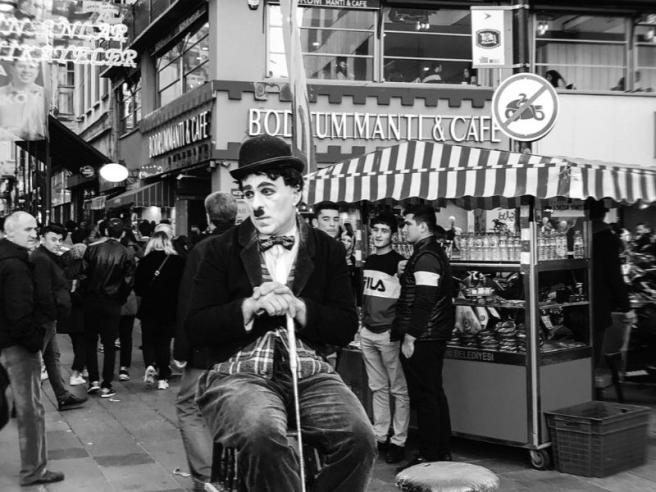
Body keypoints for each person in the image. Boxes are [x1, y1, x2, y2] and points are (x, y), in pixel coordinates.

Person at [186, 134, 376, 491]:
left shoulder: (328, 250)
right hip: (237, 375)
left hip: (310, 374)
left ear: (296, 193)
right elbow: (195, 327)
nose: (256, 205)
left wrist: (300, 307)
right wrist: (249, 305)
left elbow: (345, 326)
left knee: (360, 437)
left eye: (268, 191)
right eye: (248, 193)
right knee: (262, 433)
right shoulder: (218, 250)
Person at [174, 191, 238, 492]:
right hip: (240, 342)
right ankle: (229, 471)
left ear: (209, 216)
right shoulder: (247, 244)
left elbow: (189, 299)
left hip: (207, 344)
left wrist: (182, 347)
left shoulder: (203, 249)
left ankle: (207, 476)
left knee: (190, 406)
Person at [0, 211, 65, 486]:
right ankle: (33, 470)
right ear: (10, 231)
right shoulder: (15, 265)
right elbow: (19, 312)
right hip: (18, 345)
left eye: (34, 229)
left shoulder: (8, 258)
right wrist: (35, 340)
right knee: (31, 410)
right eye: (27, 229)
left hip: (7, 341)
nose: (33, 234)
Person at [393, 205, 455, 470]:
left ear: (422, 226)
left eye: (407, 223)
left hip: (425, 336)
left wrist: (411, 337)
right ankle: (439, 450)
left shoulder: (427, 256)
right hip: (431, 334)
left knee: (426, 396)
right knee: (433, 393)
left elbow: (425, 300)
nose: (403, 228)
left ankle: (430, 455)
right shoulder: (427, 254)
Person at [360, 212, 409, 464]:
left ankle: (399, 440)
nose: (378, 235)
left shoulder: (400, 264)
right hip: (368, 331)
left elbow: (406, 301)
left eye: (384, 230)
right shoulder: (368, 260)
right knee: (378, 387)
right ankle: (380, 435)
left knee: (399, 389)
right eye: (375, 230)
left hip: (389, 333)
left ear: (393, 234)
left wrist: (396, 330)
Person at [31, 223, 86, 411]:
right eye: (53, 239)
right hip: (45, 318)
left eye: (60, 240)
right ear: (43, 238)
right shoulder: (41, 259)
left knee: (52, 357)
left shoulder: (48, 257)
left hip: (49, 317)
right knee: (36, 360)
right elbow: (43, 291)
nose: (57, 243)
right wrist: (53, 312)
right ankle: (24, 401)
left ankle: (62, 395)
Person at [80, 218, 134, 398]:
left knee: (90, 340)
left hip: (92, 301)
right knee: (109, 344)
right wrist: (120, 298)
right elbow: (128, 281)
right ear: (123, 234)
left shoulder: (92, 249)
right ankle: (106, 384)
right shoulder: (126, 253)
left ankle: (93, 380)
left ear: (105, 232)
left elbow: (83, 275)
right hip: (112, 302)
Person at [134, 231, 185, 390]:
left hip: (149, 307)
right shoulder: (178, 261)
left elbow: (138, 288)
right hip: (169, 309)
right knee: (163, 342)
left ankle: (150, 365)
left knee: (148, 340)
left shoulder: (144, 261)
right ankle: (163, 378)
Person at [589, 200, 635, 369]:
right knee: (593, 354)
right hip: (598, 305)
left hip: (575, 307)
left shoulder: (575, 235)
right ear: (603, 214)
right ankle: (587, 389)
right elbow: (614, 276)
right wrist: (626, 307)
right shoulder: (607, 239)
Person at [117, 228, 144, 382]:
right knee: (126, 335)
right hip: (128, 298)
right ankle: (123, 367)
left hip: (112, 299)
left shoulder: (113, 252)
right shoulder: (132, 252)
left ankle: (106, 374)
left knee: (111, 335)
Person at [60, 242, 87, 386]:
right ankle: (76, 372)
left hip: (69, 311)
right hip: (82, 311)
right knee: (83, 342)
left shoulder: (65, 268)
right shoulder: (85, 268)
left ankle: (83, 368)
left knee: (77, 342)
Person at [0, 59, 47, 140]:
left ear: (37, 71)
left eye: (31, 67)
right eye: (21, 66)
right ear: (12, 68)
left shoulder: (46, 95)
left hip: (38, 147)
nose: (26, 70)